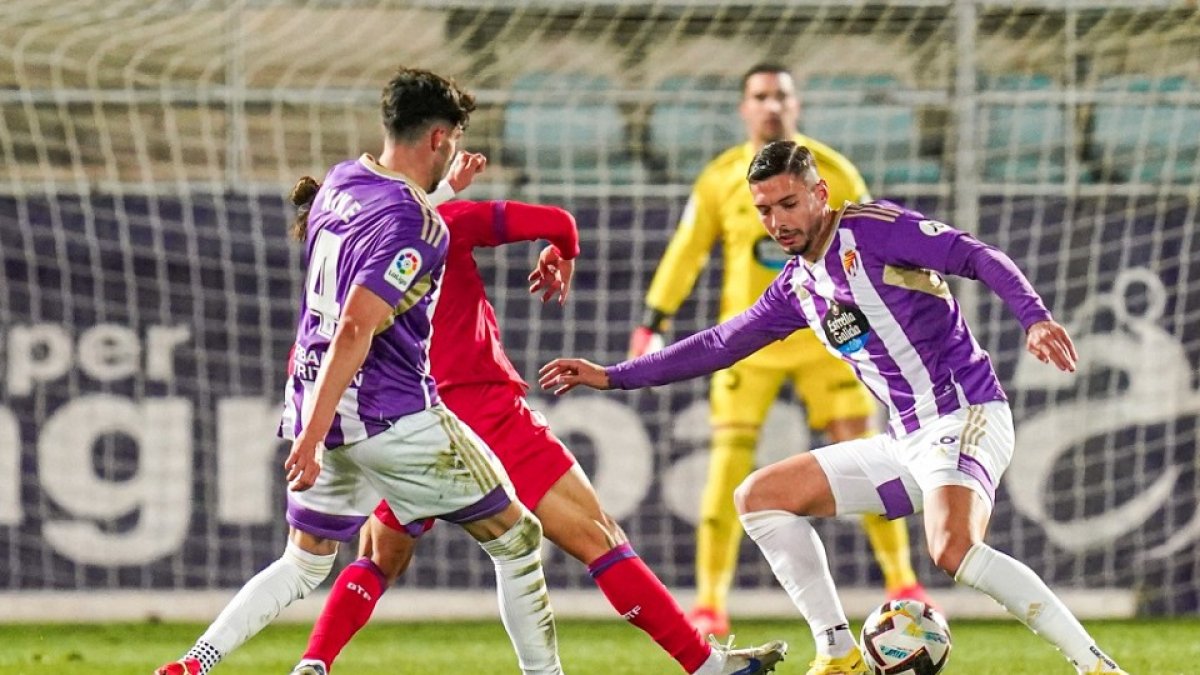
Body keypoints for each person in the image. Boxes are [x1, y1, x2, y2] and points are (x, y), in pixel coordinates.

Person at [540, 142, 1128, 675]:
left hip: (965, 413)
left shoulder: (875, 230)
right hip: (906, 441)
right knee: (759, 498)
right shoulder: (797, 287)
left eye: (788, 204)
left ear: (821, 194)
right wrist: (613, 376)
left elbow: (976, 255)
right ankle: (837, 650)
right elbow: (721, 344)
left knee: (951, 549)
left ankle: (1094, 665)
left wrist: (1035, 317)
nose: (777, 222)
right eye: (765, 211)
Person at [155, 67, 563, 675]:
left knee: (305, 561)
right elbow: (356, 324)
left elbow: (387, 224)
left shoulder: (343, 181)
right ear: (439, 138)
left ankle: (195, 662)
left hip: (314, 399)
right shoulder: (418, 225)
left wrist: (314, 430)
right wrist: (315, 436)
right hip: (391, 416)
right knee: (518, 540)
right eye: (451, 138)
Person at [288, 195, 789, 675]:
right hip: (484, 409)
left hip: (412, 418)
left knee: (379, 558)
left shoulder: (342, 263)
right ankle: (704, 665)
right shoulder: (441, 221)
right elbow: (558, 222)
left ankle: (314, 662)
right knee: (598, 537)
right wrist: (562, 253)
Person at [628, 63, 926, 637]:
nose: (770, 106)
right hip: (752, 345)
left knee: (870, 453)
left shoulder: (834, 170)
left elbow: (872, 242)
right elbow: (686, 251)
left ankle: (903, 581)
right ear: (744, 108)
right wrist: (652, 320)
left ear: (797, 105)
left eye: (780, 96)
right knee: (727, 469)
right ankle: (711, 600)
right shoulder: (720, 178)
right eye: (760, 96)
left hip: (831, 339)